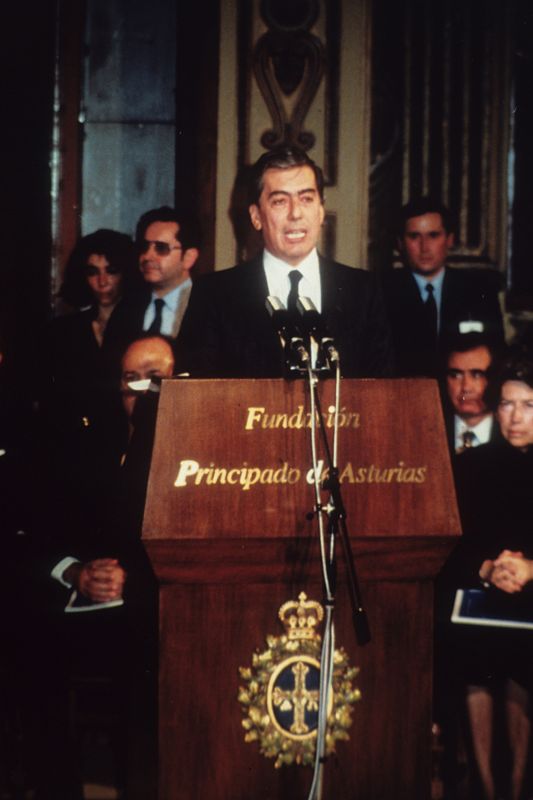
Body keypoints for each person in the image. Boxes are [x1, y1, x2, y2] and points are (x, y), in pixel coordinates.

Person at [177, 146, 393, 378]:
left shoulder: (363, 290)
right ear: (256, 217)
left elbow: (384, 389)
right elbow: (196, 397)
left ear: (321, 211)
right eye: (280, 201)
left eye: (307, 199)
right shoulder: (214, 294)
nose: (296, 214)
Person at [436, 350, 533, 800]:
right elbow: (455, 543)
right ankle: (485, 786)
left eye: (529, 405)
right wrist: (490, 567)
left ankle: (516, 785)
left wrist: (529, 568)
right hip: (481, 592)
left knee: (521, 652)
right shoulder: (472, 464)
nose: (516, 417)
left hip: (530, 595)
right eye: (508, 405)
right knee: (475, 648)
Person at [382, 197, 504, 377]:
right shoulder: (381, 292)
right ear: (400, 243)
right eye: (414, 236)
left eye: (433, 235)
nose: (424, 247)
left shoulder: (479, 290)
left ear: (449, 240)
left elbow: (496, 354)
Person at [107, 206, 201, 348]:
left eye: (161, 248)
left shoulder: (207, 308)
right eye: (144, 247)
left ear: (189, 257)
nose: (147, 256)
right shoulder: (126, 309)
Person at [442, 332, 501, 453]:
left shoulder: (513, 436)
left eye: (477, 375)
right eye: (455, 375)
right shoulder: (430, 431)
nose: (466, 387)